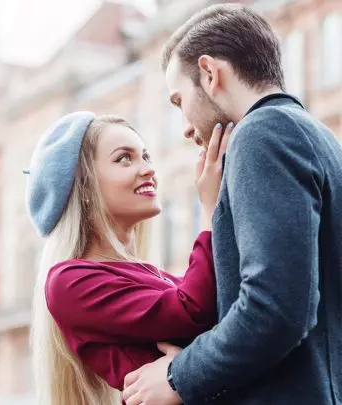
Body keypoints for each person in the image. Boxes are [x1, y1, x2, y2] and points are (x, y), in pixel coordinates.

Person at [123, 3, 342, 405]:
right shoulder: (319, 136)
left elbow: (274, 311)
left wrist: (177, 375)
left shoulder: (262, 135)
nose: (186, 127)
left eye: (178, 101)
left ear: (209, 74)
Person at [24, 111, 233, 405]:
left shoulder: (151, 274)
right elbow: (195, 309)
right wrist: (212, 209)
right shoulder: (68, 282)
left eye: (145, 156)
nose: (148, 169)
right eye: (124, 158)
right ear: (83, 188)